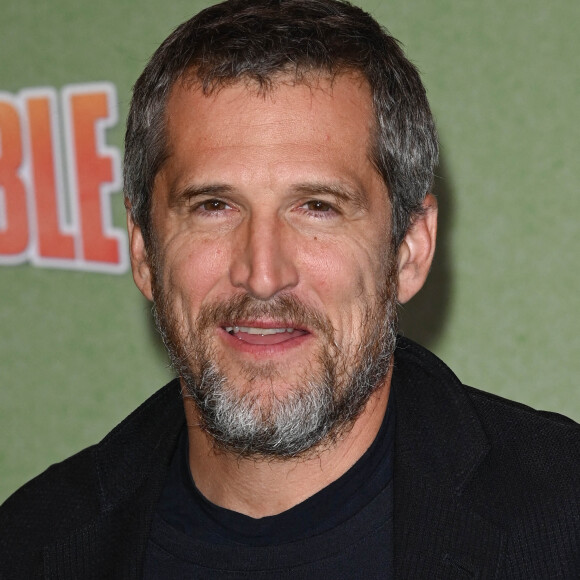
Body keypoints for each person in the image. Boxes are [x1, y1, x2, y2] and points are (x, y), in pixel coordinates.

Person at [1, 0, 578, 578]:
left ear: (410, 248)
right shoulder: (31, 545)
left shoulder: (563, 517)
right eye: (214, 206)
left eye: (317, 207)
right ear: (144, 249)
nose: (263, 273)